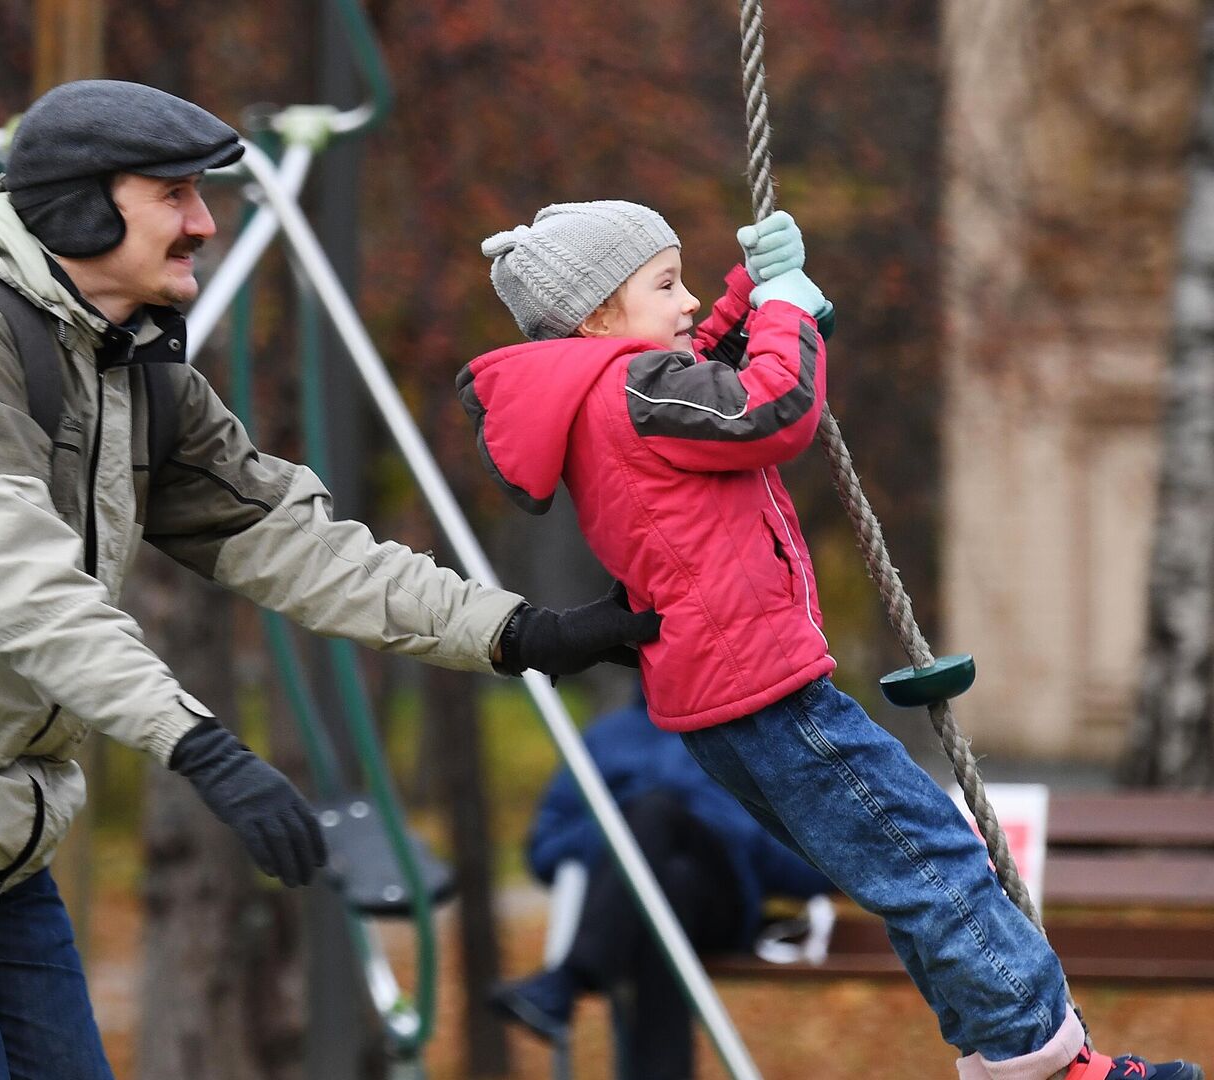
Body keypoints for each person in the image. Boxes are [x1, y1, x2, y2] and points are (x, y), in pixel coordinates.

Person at [0, 81, 662, 1080]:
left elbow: (298, 545)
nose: (205, 224)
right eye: (174, 195)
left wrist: (519, 632)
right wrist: (205, 749)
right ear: (83, 205)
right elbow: (24, 592)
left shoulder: (132, 371)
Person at [457, 201, 1203, 1080]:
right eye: (667, 284)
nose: (691, 301)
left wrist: (747, 291)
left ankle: (1017, 1054)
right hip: (765, 692)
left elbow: (703, 373)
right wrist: (785, 308)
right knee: (933, 856)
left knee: (907, 868)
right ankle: (1046, 1061)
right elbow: (771, 409)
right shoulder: (633, 392)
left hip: (725, 703)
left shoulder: (608, 398)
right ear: (595, 318)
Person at [487, 692, 832, 1077]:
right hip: (647, 907)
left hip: (724, 904)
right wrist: (623, 828)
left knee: (658, 814)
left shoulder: (753, 731)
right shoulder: (607, 737)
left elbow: (817, 866)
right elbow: (544, 849)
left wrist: (716, 821)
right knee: (668, 876)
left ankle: (568, 980)